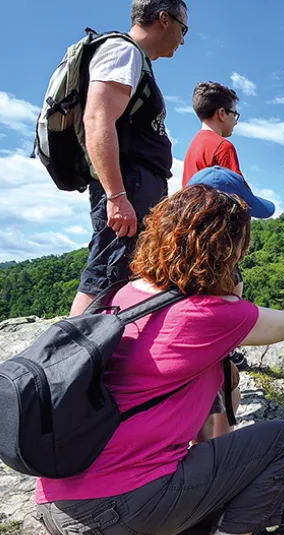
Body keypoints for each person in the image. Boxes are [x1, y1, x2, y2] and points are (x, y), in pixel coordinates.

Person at [29, 183, 284, 535]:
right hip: (116, 513)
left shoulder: (125, 293)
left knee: (182, 468)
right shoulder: (212, 313)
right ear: (227, 252)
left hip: (54, 504)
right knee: (280, 442)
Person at [69, 0, 189, 317]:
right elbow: (97, 119)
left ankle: (103, 353)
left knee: (125, 271)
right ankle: (70, 357)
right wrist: (117, 196)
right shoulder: (124, 52)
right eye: (183, 28)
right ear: (165, 19)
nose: (183, 39)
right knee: (107, 273)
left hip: (136, 185)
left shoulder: (134, 59)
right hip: (129, 186)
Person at [185, 167, 276, 446]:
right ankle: (215, 458)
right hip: (164, 478)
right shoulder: (229, 280)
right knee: (231, 389)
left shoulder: (154, 278)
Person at [181, 82, 244, 187]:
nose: (235, 121)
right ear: (222, 113)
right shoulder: (222, 146)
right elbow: (239, 194)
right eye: (234, 114)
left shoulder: (193, 146)